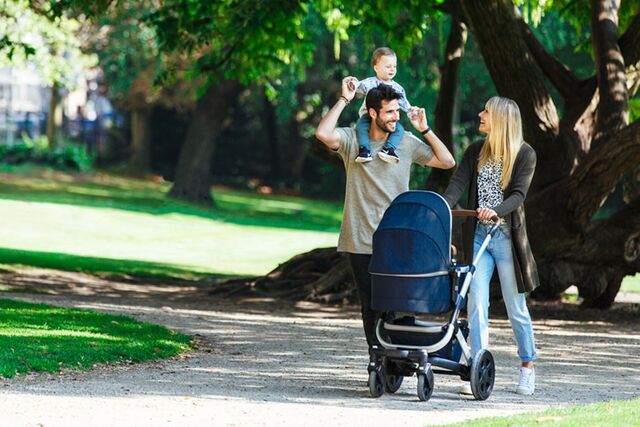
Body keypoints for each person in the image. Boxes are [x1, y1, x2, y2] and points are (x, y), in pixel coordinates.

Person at [315, 80, 455, 354]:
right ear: (372, 113)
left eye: (397, 112)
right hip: (360, 238)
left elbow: (447, 161)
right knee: (370, 304)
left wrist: (424, 129)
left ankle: (398, 358)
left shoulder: (406, 143)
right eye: (390, 112)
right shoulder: (352, 140)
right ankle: (378, 359)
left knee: (401, 302)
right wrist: (344, 99)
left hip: (397, 237)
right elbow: (322, 133)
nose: (396, 117)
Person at [442, 96, 539, 396]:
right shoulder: (475, 151)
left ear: (500, 119)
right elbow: (457, 184)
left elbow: (519, 195)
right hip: (478, 237)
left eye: (486, 111)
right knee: (475, 304)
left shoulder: (524, 154)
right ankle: (477, 369)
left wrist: (496, 208)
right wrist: (440, 206)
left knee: (515, 307)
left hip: (506, 238)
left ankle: (527, 367)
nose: (480, 114)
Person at [351, 47, 415, 164]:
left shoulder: (397, 88)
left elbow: (404, 103)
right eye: (388, 66)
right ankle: (364, 150)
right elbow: (358, 86)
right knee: (361, 126)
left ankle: (389, 149)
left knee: (399, 129)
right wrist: (353, 84)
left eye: (394, 66)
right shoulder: (370, 82)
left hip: (387, 119)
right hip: (368, 115)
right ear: (376, 68)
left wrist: (411, 111)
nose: (392, 69)